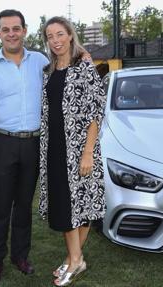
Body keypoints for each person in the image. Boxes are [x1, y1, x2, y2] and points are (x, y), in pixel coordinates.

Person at [0, 9, 49, 285]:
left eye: (16, 28)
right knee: (1, 206)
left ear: (25, 30)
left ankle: (20, 255)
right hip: (1, 143)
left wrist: (85, 56)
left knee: (24, 205)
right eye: (6, 29)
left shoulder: (41, 62)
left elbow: (67, 63)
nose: (12, 33)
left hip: (33, 143)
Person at [38, 16, 106, 286]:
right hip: (55, 148)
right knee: (66, 204)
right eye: (50, 36)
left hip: (80, 148)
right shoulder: (49, 71)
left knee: (82, 205)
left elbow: (95, 112)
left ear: (69, 35)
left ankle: (75, 260)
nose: (55, 40)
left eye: (59, 34)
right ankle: (74, 257)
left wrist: (88, 152)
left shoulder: (85, 68)